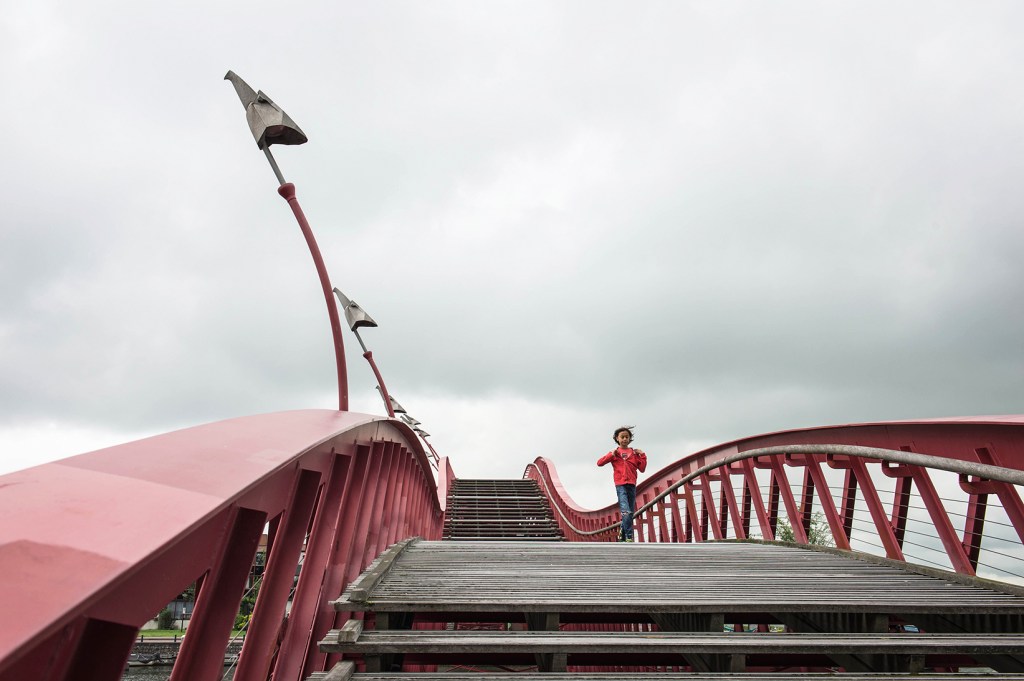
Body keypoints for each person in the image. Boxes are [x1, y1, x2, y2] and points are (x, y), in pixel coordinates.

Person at [596, 425, 647, 542]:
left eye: (627, 437)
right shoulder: (615, 454)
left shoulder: (634, 454)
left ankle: (622, 532)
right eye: (622, 437)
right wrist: (611, 455)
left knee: (630, 512)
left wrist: (643, 455)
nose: (624, 439)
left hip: (632, 485)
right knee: (626, 511)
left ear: (630, 439)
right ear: (617, 439)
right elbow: (599, 463)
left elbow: (642, 468)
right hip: (620, 485)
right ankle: (629, 536)